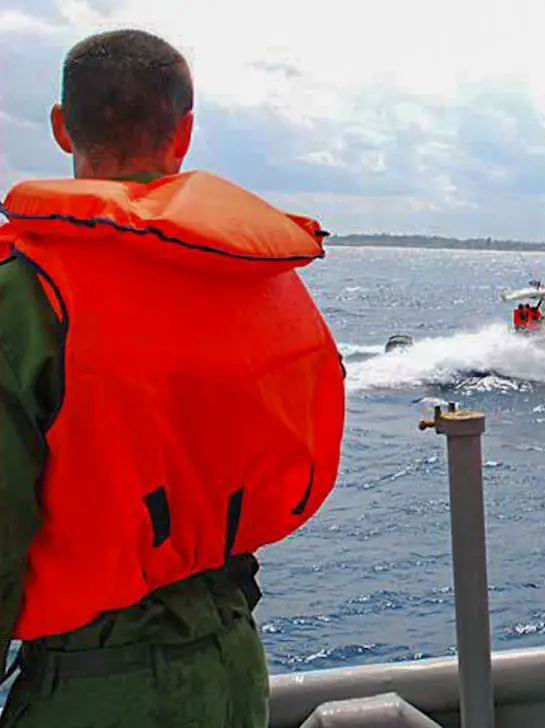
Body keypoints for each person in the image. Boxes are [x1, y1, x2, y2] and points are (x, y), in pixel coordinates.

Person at [0, 29, 346, 727]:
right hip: (234, 664)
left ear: (62, 127)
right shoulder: (258, 278)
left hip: (94, 685)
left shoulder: (25, 296)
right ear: (183, 133)